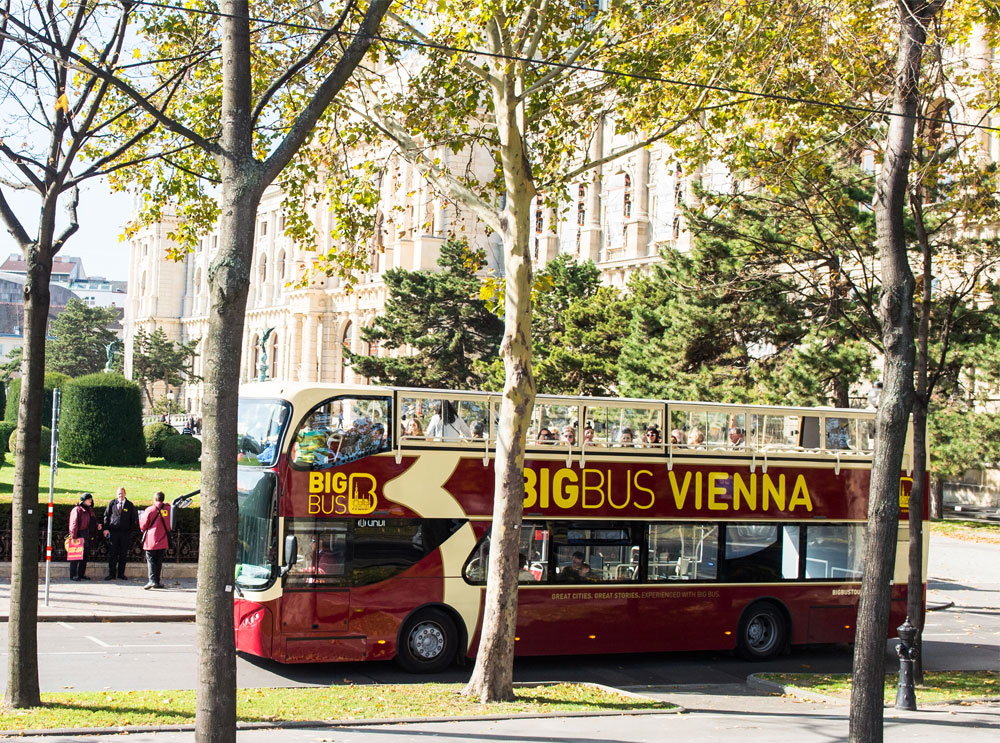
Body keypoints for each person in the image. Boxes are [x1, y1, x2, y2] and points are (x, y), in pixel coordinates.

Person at [103, 487, 138, 580]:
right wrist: (105, 528)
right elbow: (106, 516)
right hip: (113, 533)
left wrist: (130, 532)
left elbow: (133, 520)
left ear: (125, 494)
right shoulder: (112, 503)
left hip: (125, 534)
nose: (120, 495)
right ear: (116, 494)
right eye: (118, 494)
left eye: (122, 494)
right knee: (113, 554)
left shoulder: (130, 505)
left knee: (123, 554)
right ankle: (111, 574)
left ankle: (121, 574)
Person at [139, 491, 172, 590]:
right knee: (159, 560)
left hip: (151, 540)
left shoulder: (150, 510)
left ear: (155, 499)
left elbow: (143, 525)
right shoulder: (168, 509)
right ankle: (157, 581)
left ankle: (152, 581)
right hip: (163, 539)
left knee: (151, 560)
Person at [68, 493, 100, 581]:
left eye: (91, 499)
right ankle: (73, 575)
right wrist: (74, 536)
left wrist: (97, 526)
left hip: (88, 534)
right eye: (88, 499)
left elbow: (92, 521)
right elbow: (74, 524)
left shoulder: (90, 510)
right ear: (83, 500)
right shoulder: (77, 510)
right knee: (76, 556)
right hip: (80, 534)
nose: (90, 500)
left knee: (85, 556)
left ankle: (81, 574)